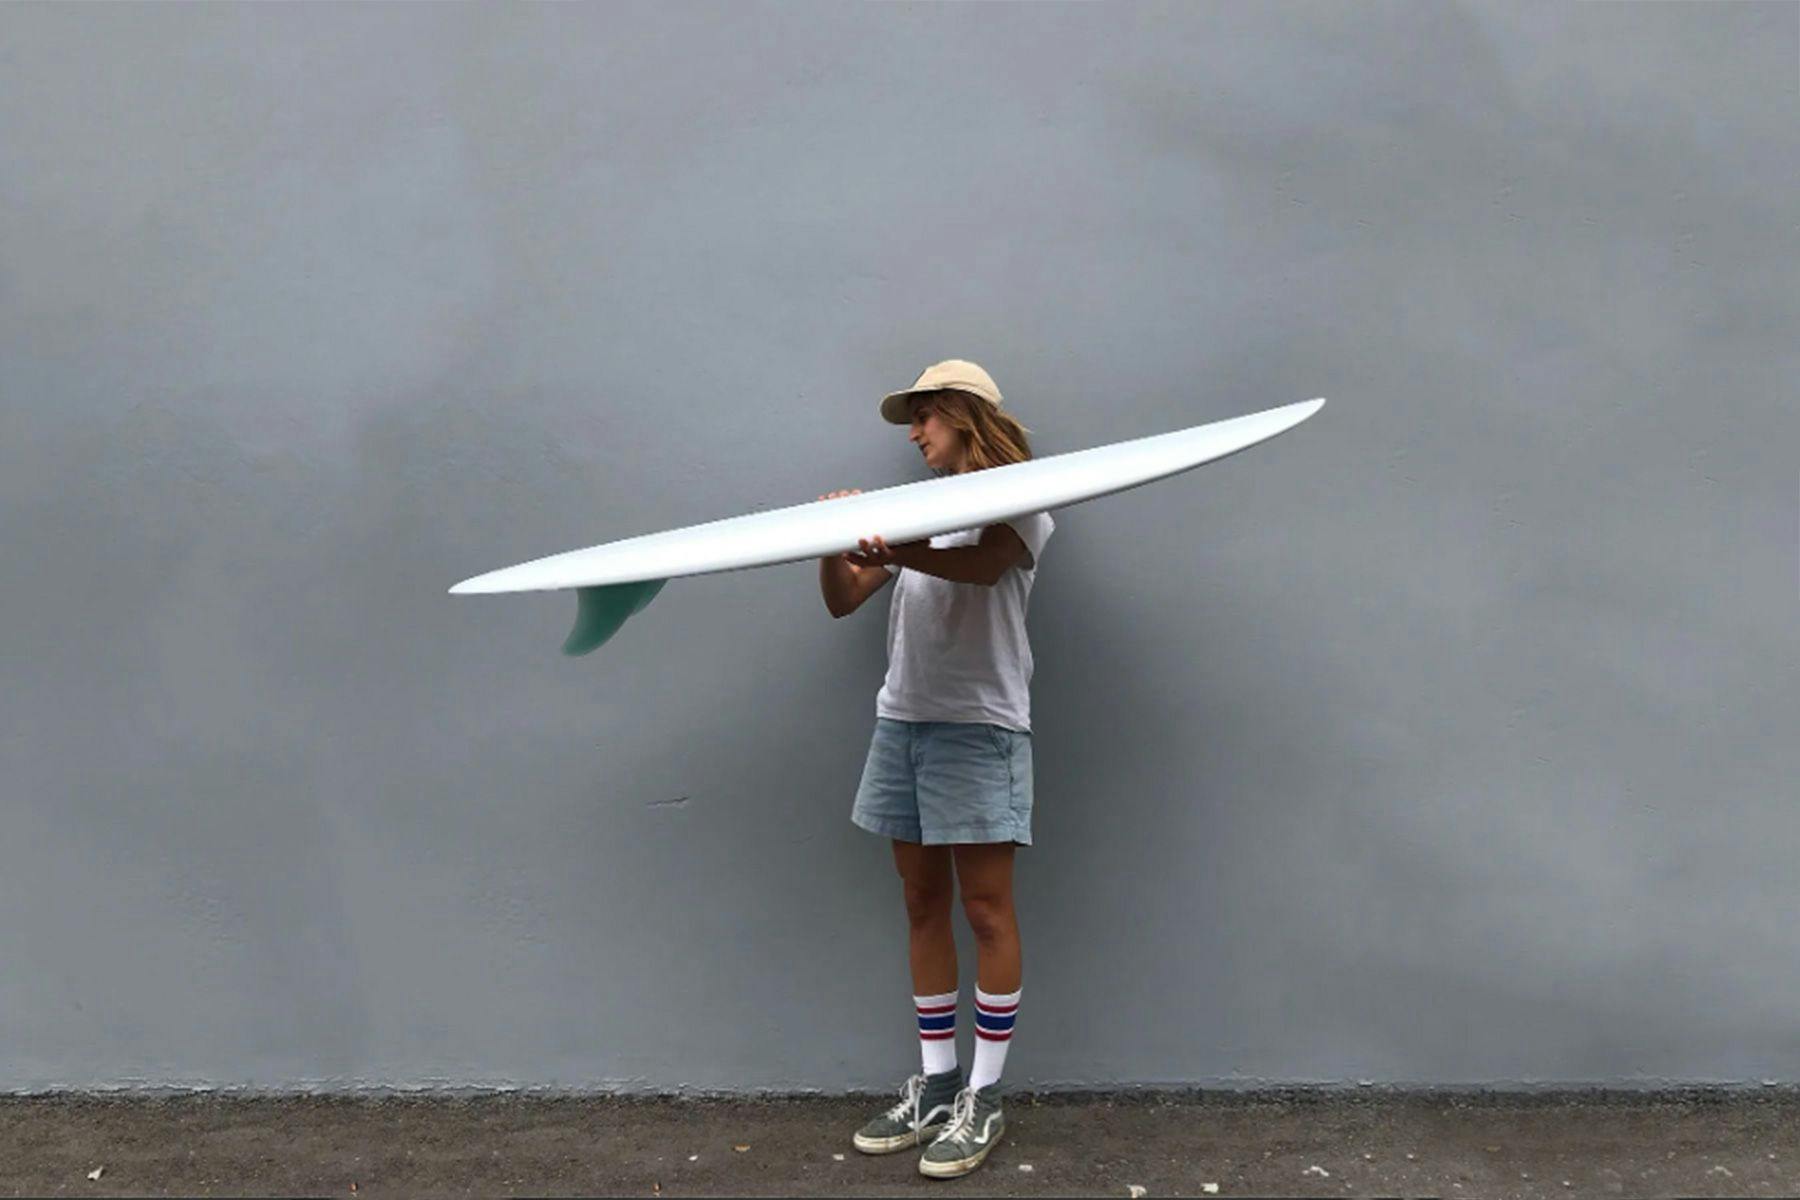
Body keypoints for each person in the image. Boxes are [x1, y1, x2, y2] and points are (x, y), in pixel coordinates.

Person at [815, 359, 1054, 1180]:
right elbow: (846, 597)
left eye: (923, 418)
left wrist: (902, 546)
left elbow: (986, 565)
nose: (913, 434)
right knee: (922, 903)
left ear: (960, 412)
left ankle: (983, 1098)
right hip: (903, 720)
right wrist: (828, 546)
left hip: (978, 726)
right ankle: (938, 1082)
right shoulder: (914, 512)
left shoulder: (1021, 495)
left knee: (986, 911)